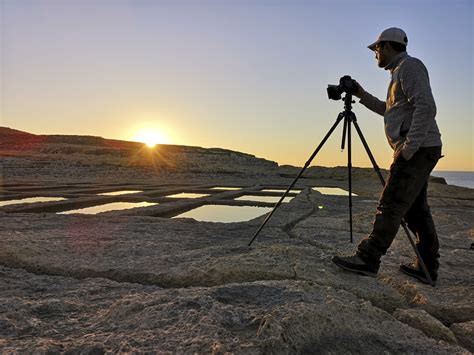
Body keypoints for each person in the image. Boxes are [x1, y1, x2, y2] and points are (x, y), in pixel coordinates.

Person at [332, 27, 443, 285]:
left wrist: (409, 147)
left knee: (391, 203)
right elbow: (390, 110)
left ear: (388, 47)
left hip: (418, 148)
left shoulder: (410, 67)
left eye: (376, 49)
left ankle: (368, 258)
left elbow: (427, 106)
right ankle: (427, 266)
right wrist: (361, 95)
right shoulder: (397, 73)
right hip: (423, 147)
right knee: (416, 210)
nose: (375, 55)